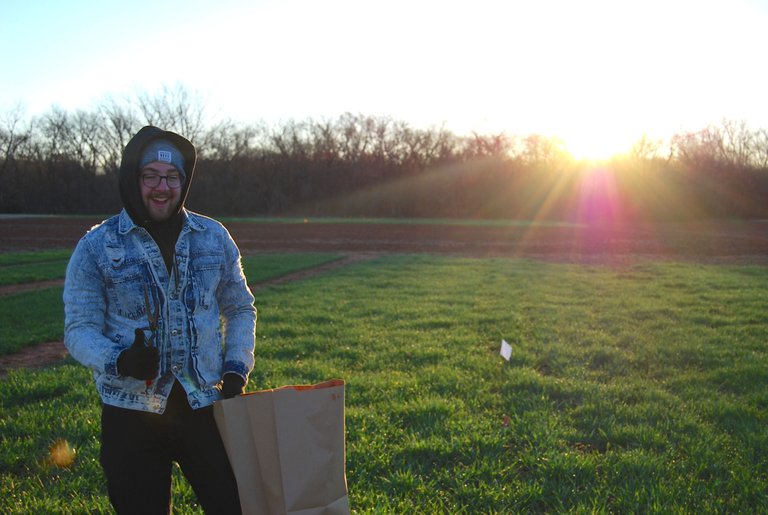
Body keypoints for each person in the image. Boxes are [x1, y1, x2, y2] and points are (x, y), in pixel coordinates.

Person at [64, 125, 256, 514]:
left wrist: (236, 368)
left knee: (236, 506)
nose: (161, 187)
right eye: (150, 175)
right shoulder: (96, 246)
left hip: (207, 406)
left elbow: (239, 308)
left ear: (184, 182)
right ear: (132, 179)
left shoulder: (213, 237)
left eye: (172, 177)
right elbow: (78, 330)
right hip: (130, 413)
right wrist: (118, 359)